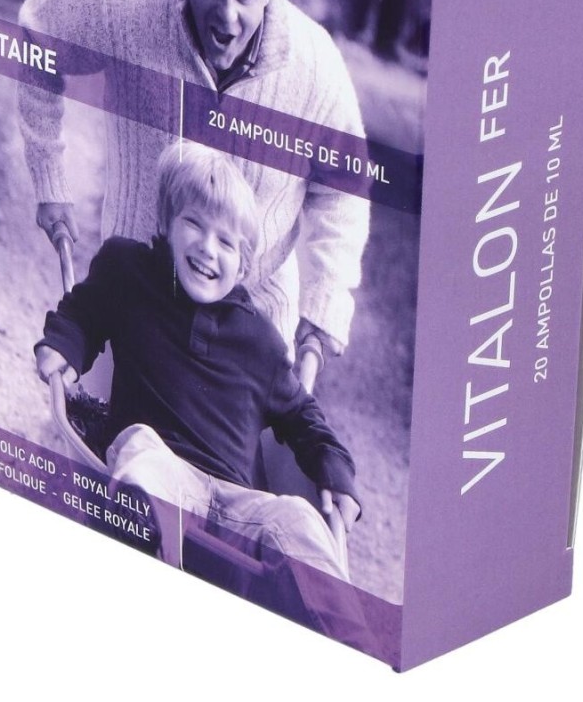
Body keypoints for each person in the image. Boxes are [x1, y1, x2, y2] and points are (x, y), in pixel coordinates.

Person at [18, 0, 369, 369]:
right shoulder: (125, 0)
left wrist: (326, 300)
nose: (227, 15)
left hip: (252, 332)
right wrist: (50, 178)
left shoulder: (316, 68)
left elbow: (344, 188)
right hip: (133, 302)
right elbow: (38, 32)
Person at [35, 143, 358, 578]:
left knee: (298, 519)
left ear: (242, 267)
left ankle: (335, 614)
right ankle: (145, 551)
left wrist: (335, 471)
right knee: (141, 450)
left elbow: (303, 415)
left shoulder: (260, 340)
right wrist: (64, 344)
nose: (208, 248)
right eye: (194, 223)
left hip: (236, 508)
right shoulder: (129, 271)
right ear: (167, 225)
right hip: (163, 473)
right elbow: (84, 311)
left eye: (226, 241)